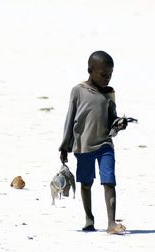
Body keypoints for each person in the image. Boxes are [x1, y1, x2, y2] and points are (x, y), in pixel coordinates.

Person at [58, 50, 128, 234]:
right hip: (83, 146)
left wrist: (119, 123)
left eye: (110, 75)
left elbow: (112, 119)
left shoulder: (109, 93)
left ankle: (111, 223)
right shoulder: (78, 91)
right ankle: (89, 219)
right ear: (90, 70)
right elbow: (69, 118)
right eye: (103, 74)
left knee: (109, 181)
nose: (107, 79)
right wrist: (65, 145)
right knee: (86, 183)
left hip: (105, 145)